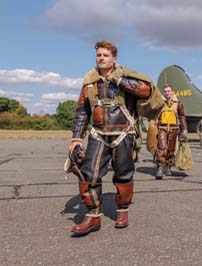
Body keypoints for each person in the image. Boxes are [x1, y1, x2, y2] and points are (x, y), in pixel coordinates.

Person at [68, 40, 162, 236]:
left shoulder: (128, 77)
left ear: (114, 58)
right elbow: (82, 112)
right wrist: (76, 138)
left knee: (123, 175)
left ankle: (122, 211)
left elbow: (147, 90)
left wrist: (118, 80)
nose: (101, 58)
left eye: (105, 55)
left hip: (124, 134)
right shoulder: (89, 82)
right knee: (88, 175)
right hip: (98, 134)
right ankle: (93, 216)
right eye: (99, 55)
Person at [155, 84, 187, 179]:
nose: (167, 93)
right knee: (161, 147)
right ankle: (160, 167)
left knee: (171, 149)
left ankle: (168, 166)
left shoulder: (178, 103)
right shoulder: (159, 102)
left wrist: (184, 129)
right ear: (163, 92)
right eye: (165, 91)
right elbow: (153, 112)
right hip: (162, 127)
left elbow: (182, 116)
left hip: (174, 128)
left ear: (172, 92)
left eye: (169, 91)